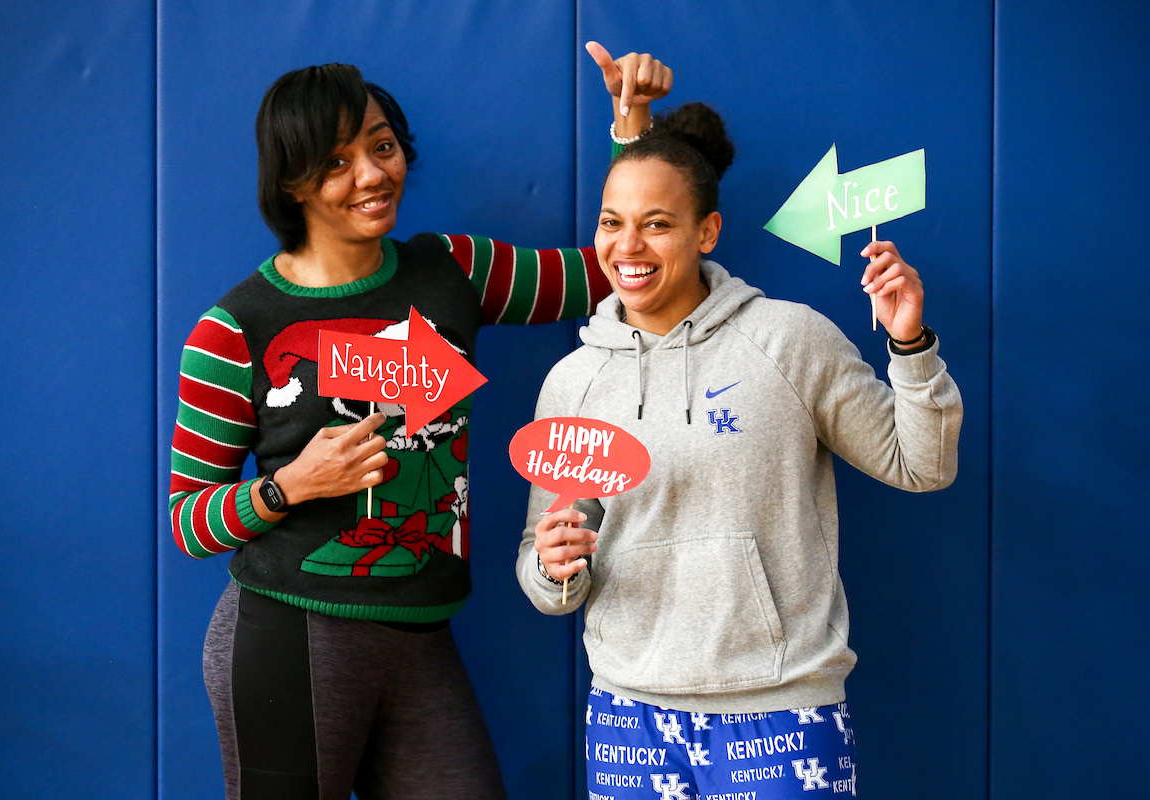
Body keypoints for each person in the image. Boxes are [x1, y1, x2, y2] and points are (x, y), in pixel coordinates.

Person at [168, 46, 671, 800]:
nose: (373, 174)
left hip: (421, 635)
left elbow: (610, 272)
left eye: (381, 145)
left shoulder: (449, 272)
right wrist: (291, 487)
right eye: (337, 161)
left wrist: (631, 130)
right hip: (288, 638)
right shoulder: (234, 329)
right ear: (290, 182)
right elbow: (187, 524)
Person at [517, 103, 963, 799]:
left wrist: (909, 345)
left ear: (707, 231)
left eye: (657, 223)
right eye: (612, 221)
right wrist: (551, 568)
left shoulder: (790, 340)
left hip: (781, 708)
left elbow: (922, 466)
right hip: (626, 715)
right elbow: (549, 575)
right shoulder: (573, 381)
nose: (628, 246)